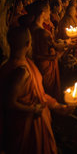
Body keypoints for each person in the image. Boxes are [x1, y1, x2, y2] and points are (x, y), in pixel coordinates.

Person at [0, 26, 69, 154]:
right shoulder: (21, 71)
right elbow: (9, 102)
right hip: (28, 126)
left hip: (25, 122)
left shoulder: (14, 64)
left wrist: (56, 105)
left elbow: (39, 94)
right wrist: (33, 109)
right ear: (28, 44)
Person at [30, 1, 65, 100]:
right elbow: (53, 49)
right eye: (48, 11)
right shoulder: (43, 33)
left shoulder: (30, 28)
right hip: (47, 65)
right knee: (49, 91)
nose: (49, 13)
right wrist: (60, 52)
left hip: (37, 65)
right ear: (42, 13)